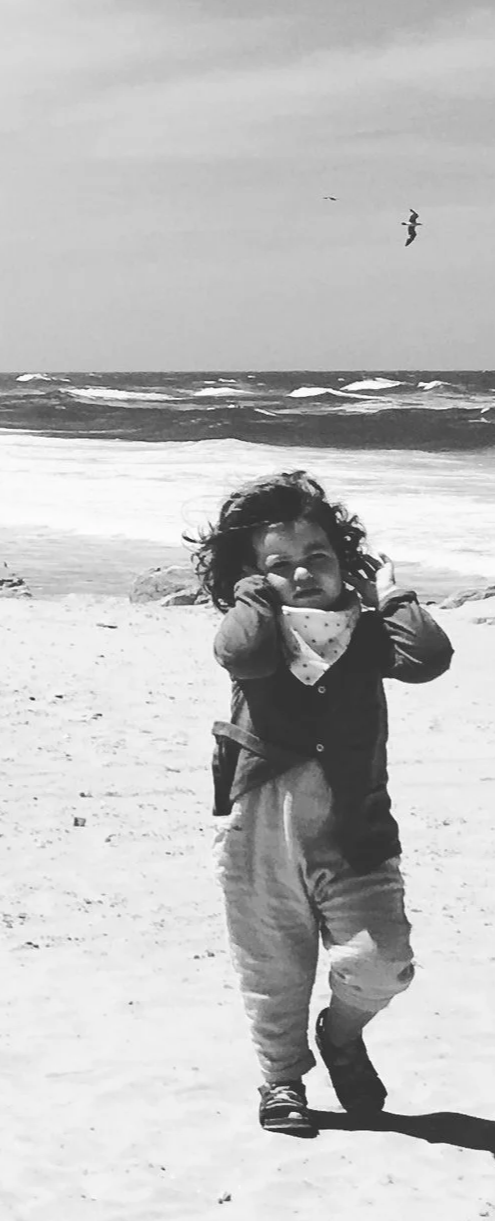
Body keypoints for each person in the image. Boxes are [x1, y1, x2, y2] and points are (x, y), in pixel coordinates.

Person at [196, 469, 451, 1138]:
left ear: (346, 567)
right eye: (279, 566)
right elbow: (241, 654)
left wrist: (391, 593)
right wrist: (254, 590)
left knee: (382, 962)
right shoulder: (258, 630)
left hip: (355, 829)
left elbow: (427, 656)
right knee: (271, 965)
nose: (302, 574)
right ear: (251, 579)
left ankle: (340, 1034)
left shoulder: (367, 636)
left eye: (318, 558)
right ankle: (281, 1080)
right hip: (257, 824)